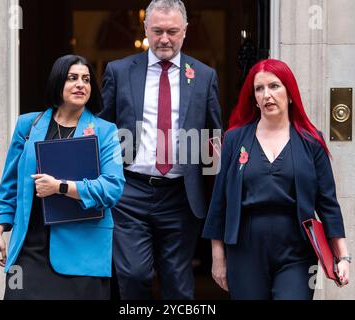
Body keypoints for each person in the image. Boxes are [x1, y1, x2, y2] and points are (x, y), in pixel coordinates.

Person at [100, 0, 222, 299]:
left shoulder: (204, 75)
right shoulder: (119, 71)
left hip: (181, 194)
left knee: (179, 284)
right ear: (145, 29)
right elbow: (102, 129)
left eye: (172, 31)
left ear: (185, 31)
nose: (164, 39)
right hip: (130, 191)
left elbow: (214, 135)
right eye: (157, 31)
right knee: (133, 274)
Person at [202, 59, 351, 300]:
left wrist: (342, 256)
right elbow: (219, 201)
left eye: (274, 86)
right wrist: (218, 257)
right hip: (244, 247)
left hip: (297, 248)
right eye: (259, 89)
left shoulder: (312, 141)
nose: (266, 95)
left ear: (290, 93)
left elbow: (328, 203)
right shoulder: (234, 139)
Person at [0, 55, 125, 300]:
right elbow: (10, 184)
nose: (80, 84)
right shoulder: (28, 125)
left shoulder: (106, 132)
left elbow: (112, 188)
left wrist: (61, 187)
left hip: (82, 253)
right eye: (72, 78)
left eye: (86, 79)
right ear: (57, 83)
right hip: (29, 249)